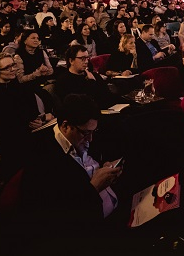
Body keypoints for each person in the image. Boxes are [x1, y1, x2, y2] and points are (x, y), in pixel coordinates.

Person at [17, 94, 123, 251]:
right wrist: (94, 187)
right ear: (65, 126)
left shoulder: (82, 135)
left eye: (94, 131)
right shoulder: (41, 158)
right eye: (86, 133)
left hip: (111, 212)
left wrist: (104, 167)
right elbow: (56, 219)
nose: (91, 139)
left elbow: (90, 160)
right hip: (88, 236)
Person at [0, 53, 51, 176]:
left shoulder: (21, 87)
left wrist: (38, 120)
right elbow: (2, 120)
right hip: (9, 138)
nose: (13, 69)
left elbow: (32, 111)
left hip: (29, 130)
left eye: (13, 65)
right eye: (7, 67)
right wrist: (33, 119)